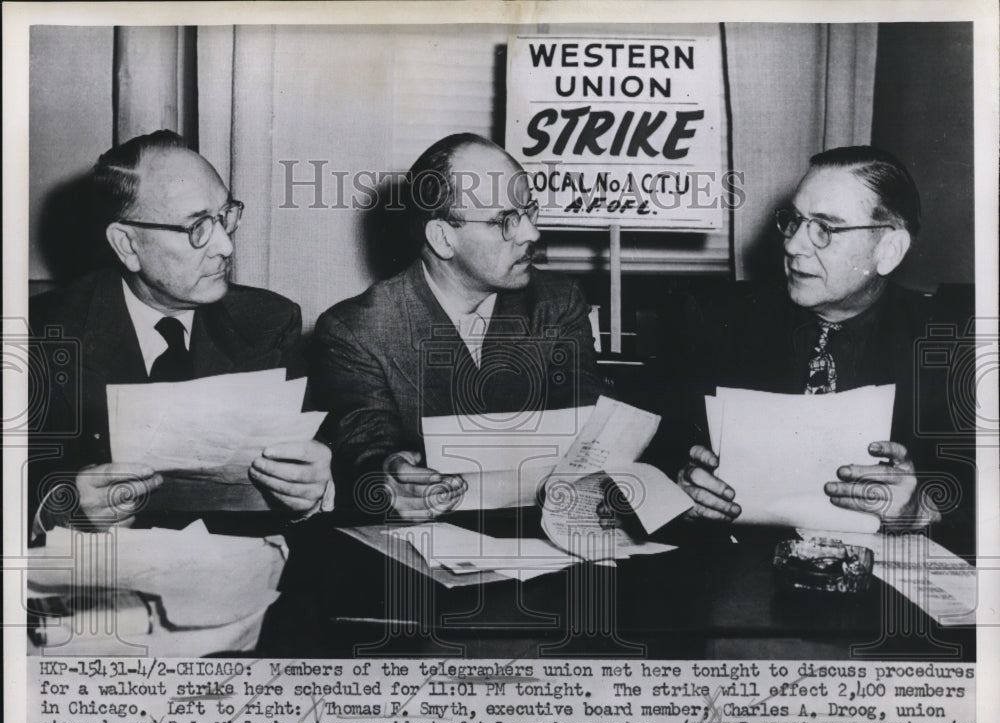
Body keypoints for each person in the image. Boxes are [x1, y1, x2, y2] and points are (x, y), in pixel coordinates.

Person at [28, 130, 333, 543]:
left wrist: (311, 494)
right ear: (127, 245)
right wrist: (58, 507)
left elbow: (302, 489)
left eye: (226, 216)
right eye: (197, 227)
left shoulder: (267, 322)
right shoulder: (44, 336)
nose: (225, 245)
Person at [672, 146, 973, 553]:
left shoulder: (951, 345)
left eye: (825, 229)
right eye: (795, 221)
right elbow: (646, 458)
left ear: (888, 251)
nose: (794, 245)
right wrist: (677, 492)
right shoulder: (717, 319)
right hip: (734, 580)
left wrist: (923, 510)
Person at [312, 133, 604, 520]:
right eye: (506, 221)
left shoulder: (557, 303)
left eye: (530, 211)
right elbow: (366, 442)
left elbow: (589, 431)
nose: (532, 234)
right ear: (443, 238)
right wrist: (390, 477)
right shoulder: (357, 329)